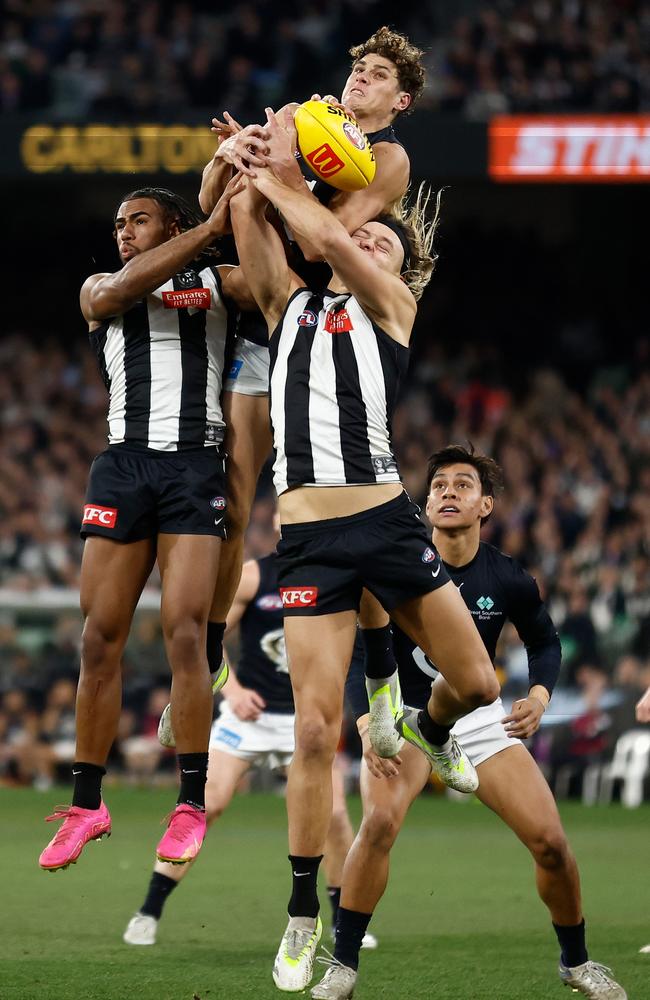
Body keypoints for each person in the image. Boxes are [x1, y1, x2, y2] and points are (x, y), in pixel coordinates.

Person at [228, 116, 500, 993]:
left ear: (397, 264)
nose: (363, 239)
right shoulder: (289, 305)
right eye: (360, 231)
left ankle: (419, 723)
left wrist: (288, 179)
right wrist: (246, 165)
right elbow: (260, 228)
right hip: (308, 536)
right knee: (314, 730)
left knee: (480, 686)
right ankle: (305, 909)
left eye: (378, 236)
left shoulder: (395, 306)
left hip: (387, 522)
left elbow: (318, 229)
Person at [313, 444, 627, 1000]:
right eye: (438, 485)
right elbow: (359, 653)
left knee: (552, 843)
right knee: (379, 826)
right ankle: (342, 965)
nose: (448, 492)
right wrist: (365, 723)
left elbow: (544, 639)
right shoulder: (393, 569)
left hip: (477, 720)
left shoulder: (506, 576)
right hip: (401, 718)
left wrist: (539, 692)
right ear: (424, 503)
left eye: (463, 484)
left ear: (486, 506)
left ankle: (576, 963)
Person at [39, 180, 248, 873]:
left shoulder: (221, 283)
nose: (123, 231)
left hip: (194, 465)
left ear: (174, 224)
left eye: (139, 220)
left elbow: (273, 283)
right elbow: (108, 295)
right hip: (122, 466)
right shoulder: (104, 285)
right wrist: (210, 226)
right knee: (99, 637)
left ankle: (190, 804)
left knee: (185, 631)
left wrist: (237, 213)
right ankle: (87, 805)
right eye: (119, 223)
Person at [197, 26, 426, 641]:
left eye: (380, 75)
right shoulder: (302, 116)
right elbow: (211, 205)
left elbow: (319, 242)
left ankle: (377, 660)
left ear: (400, 101)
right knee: (237, 495)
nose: (363, 78)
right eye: (361, 68)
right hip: (265, 314)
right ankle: (215, 643)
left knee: (360, 491)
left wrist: (279, 176)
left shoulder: (389, 158)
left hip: (322, 330)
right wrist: (233, 158)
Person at [123, 538, 376, 951]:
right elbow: (207, 635)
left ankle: (342, 924)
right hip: (249, 719)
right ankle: (148, 911)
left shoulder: (335, 577)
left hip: (306, 721)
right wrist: (232, 691)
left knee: (333, 818)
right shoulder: (253, 576)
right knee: (208, 804)